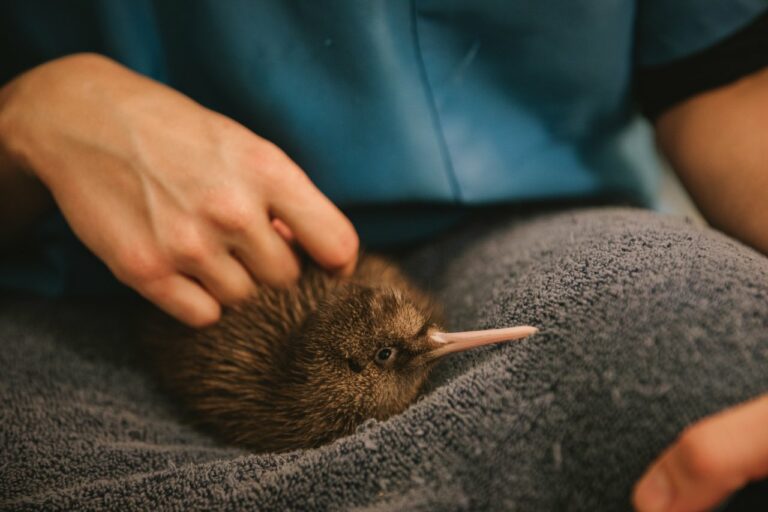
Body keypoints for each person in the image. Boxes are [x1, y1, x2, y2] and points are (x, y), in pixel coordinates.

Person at [0, 2, 766, 510]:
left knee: (708, 367)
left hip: (532, 218)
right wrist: (30, 115)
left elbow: (723, 80)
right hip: (85, 280)